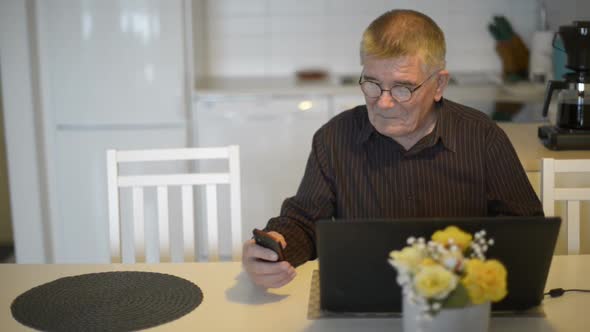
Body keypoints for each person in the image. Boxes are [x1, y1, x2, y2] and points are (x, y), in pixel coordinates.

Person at [242, 9, 543, 288]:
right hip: (362, 297)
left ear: (438, 85)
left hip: (457, 301)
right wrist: (275, 247)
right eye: (372, 84)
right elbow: (304, 223)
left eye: (403, 88)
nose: (383, 102)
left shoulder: (483, 137)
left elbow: (526, 232)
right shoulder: (333, 138)